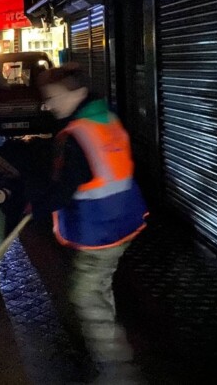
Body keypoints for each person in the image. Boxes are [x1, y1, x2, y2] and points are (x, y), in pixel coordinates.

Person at [32, 63, 147, 381]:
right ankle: (112, 358)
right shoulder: (105, 119)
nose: (50, 104)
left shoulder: (76, 135)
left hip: (102, 228)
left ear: (78, 92)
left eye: (54, 97)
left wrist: (32, 206)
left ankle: (118, 371)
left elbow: (63, 188)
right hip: (124, 219)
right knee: (99, 287)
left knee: (85, 294)